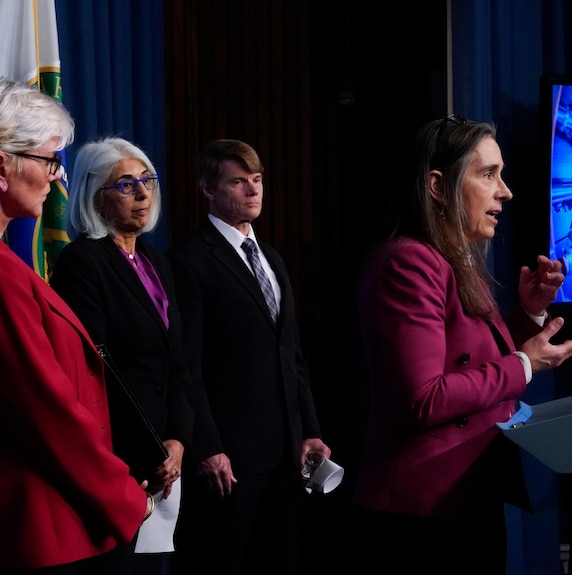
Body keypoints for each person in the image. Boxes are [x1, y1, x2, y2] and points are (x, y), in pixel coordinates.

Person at [352, 114, 572, 575]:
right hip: (420, 517)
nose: (506, 191)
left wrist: (529, 315)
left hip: (466, 498)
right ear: (438, 187)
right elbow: (424, 397)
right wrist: (526, 364)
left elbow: (474, 360)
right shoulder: (409, 262)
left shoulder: (452, 256)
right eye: (488, 175)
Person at [0, 77, 154, 573]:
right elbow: (45, 409)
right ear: (3, 164)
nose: (58, 177)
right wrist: (125, 498)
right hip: (35, 526)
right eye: (50, 160)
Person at [168, 138, 331, 575]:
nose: (253, 191)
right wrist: (207, 446)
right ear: (208, 189)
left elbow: (292, 355)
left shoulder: (272, 259)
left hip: (286, 457)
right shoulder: (188, 261)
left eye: (257, 180)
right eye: (238, 182)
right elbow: (187, 365)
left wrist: (310, 430)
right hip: (229, 462)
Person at [50, 137, 193, 574]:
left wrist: (178, 440)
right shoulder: (83, 262)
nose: (143, 193)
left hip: (165, 455)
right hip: (120, 456)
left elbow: (178, 362)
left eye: (147, 180)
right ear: (96, 198)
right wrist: (151, 448)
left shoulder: (157, 261)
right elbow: (96, 367)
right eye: (126, 185)